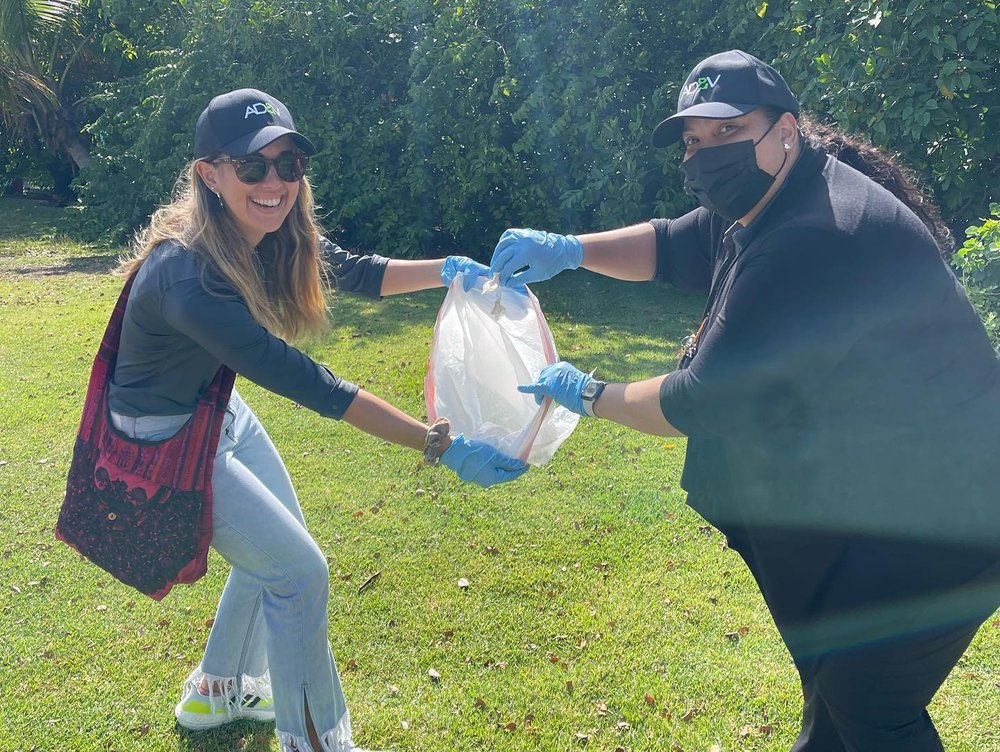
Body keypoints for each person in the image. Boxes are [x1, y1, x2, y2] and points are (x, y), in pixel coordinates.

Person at [490, 50, 1000, 752]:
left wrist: (586, 391)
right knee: (839, 695)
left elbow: (699, 401)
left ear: (785, 128)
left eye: (727, 132)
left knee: (870, 709)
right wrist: (570, 250)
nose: (706, 156)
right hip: (882, 499)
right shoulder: (777, 196)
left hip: (949, 517)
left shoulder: (817, 234)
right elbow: (672, 244)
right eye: (694, 143)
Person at [110, 88, 527, 752]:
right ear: (210, 175)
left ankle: (216, 690)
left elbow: (358, 272)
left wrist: (452, 272)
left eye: (288, 164)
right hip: (162, 441)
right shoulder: (187, 279)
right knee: (299, 573)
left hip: (217, 411)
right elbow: (313, 385)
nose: (274, 182)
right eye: (253, 168)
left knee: (281, 553)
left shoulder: (271, 234)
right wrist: (435, 443)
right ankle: (319, 742)